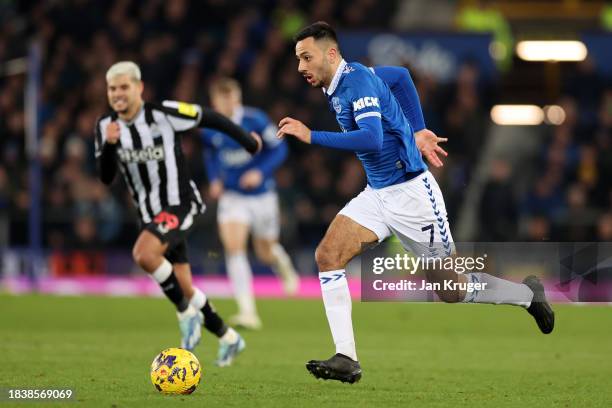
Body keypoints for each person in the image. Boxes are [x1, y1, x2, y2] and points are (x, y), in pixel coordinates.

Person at [278, 22, 555, 383]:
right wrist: (418, 129)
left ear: (330, 54)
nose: (301, 67)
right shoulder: (350, 77)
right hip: (378, 194)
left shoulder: (356, 83)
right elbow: (401, 76)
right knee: (327, 255)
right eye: (299, 59)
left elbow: (372, 139)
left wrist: (311, 134)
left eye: (306, 57)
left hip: (413, 195)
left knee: (451, 290)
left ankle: (526, 294)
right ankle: (346, 357)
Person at [95, 61, 261, 366]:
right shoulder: (106, 127)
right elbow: (106, 177)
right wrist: (109, 145)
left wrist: (248, 142)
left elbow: (210, 117)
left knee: (144, 254)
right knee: (184, 286)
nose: (117, 94)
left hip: (181, 204)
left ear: (139, 87)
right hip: (149, 215)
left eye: (124, 87)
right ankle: (229, 337)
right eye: (112, 88)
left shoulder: (163, 113)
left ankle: (185, 314)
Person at [202, 77, 299, 330]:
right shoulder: (210, 127)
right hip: (233, 197)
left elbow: (279, 149)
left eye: (231, 98)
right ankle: (247, 311)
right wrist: (214, 179)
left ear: (238, 98)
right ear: (215, 101)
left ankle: (281, 262)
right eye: (222, 100)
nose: (227, 104)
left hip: (262, 195)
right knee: (234, 248)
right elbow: (210, 153)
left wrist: (260, 172)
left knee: (265, 251)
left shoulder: (255, 120)